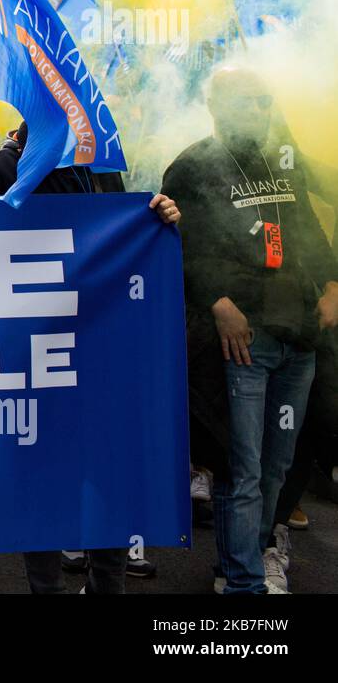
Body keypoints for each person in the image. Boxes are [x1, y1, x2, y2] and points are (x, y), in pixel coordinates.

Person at [0, 119, 180, 592]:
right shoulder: (2, 165)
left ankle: (108, 583)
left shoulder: (100, 162)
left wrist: (159, 215)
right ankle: (45, 587)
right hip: (33, 351)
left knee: (108, 468)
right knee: (41, 477)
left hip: (101, 342)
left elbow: (127, 234)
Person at [162, 67, 338, 595]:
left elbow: (305, 227)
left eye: (263, 101)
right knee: (242, 467)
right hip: (243, 342)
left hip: (297, 337)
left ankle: (248, 562)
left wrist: (331, 284)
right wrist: (217, 301)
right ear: (215, 104)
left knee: (277, 466)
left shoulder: (282, 159)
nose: (258, 111)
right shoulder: (192, 165)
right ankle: (241, 583)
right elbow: (177, 243)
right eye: (245, 101)